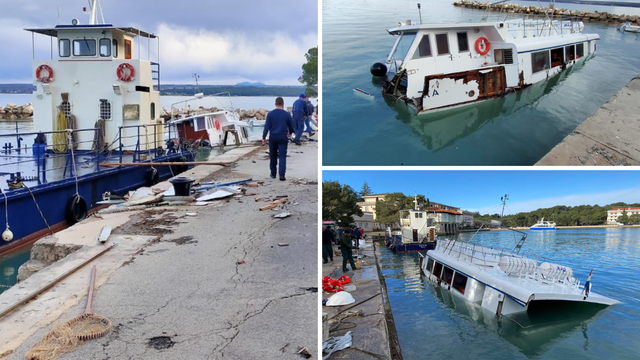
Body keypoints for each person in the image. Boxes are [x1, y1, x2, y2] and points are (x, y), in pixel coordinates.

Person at [262, 97, 294, 181]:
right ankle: (282, 175)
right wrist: (290, 133)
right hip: (283, 137)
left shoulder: (270, 114)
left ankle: (273, 173)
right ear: (283, 104)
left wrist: (264, 137)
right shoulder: (287, 114)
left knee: (273, 155)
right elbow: (291, 126)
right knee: (282, 156)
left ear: (275, 104)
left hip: (273, 136)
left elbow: (266, 127)